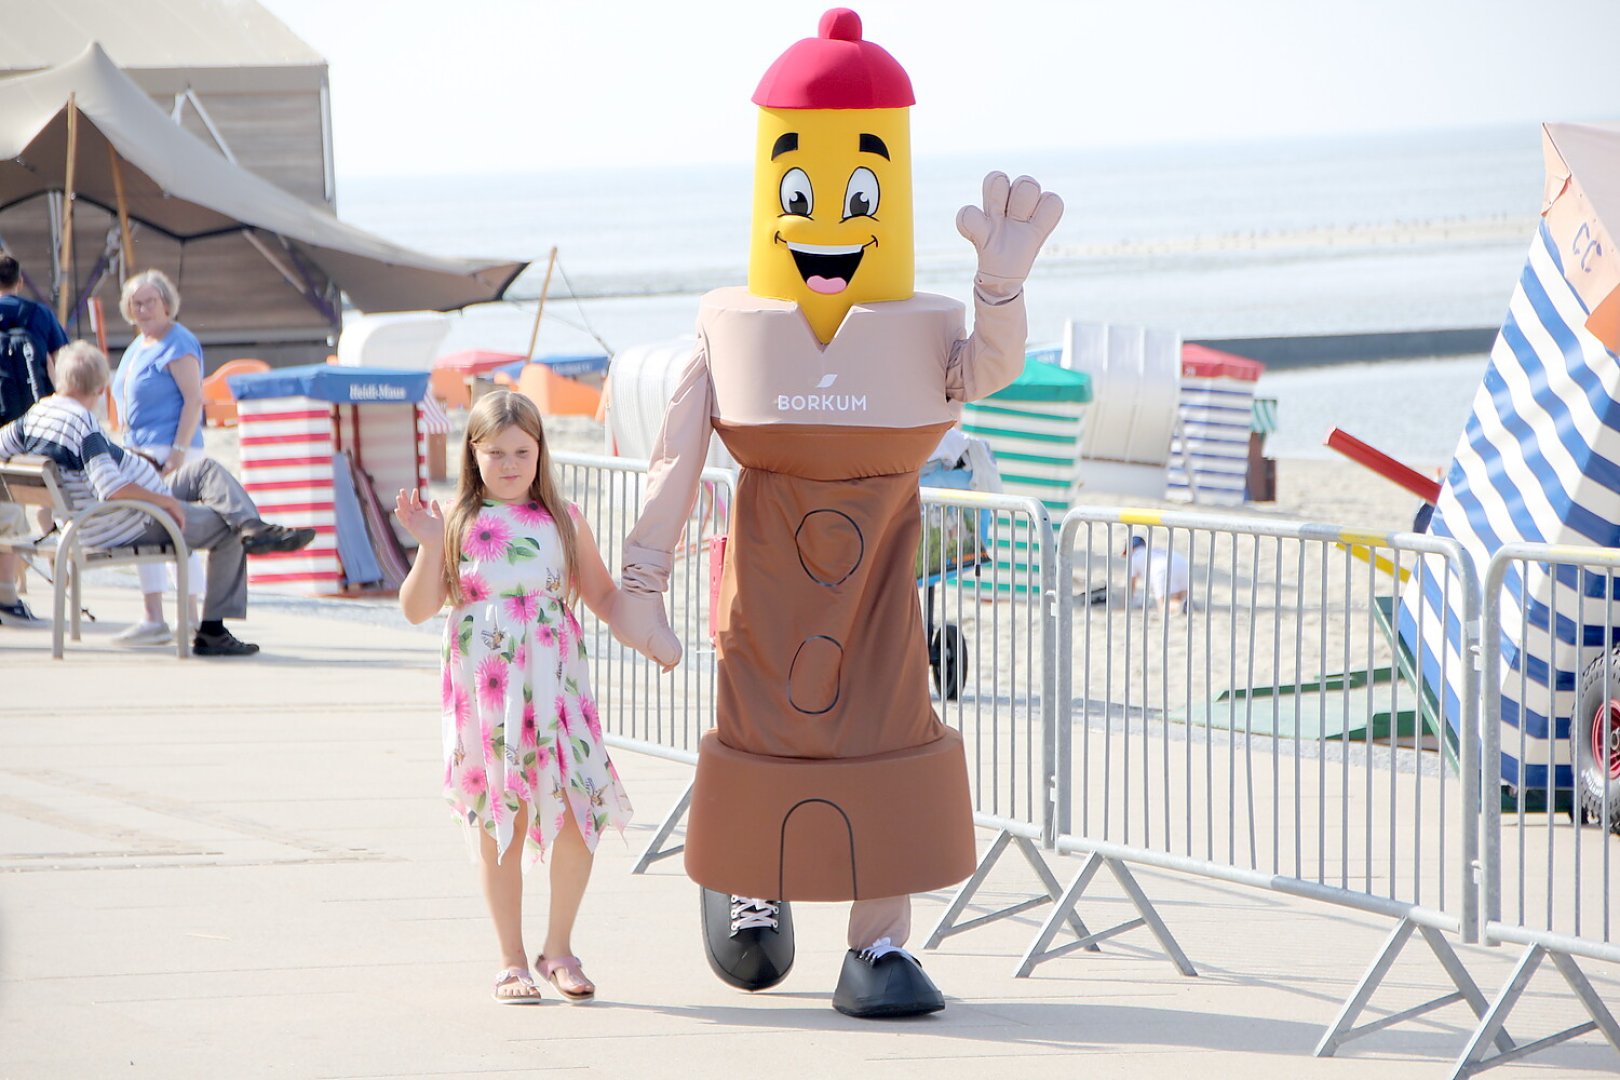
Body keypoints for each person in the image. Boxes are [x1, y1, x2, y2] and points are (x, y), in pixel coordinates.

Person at [612, 9, 1062, 1017]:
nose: (827, 223)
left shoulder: (915, 331)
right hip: (764, 589)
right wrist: (643, 582)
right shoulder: (735, 332)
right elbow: (675, 457)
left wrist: (998, 290)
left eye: (863, 193)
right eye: (801, 191)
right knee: (761, 728)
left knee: (887, 736)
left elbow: (985, 371)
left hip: (882, 596)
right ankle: (752, 886)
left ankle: (879, 944)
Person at [394, 390, 664, 1004]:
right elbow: (416, 609)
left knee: (578, 811)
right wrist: (430, 544)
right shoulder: (455, 521)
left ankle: (559, 949)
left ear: (541, 451)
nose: (510, 464)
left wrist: (650, 634)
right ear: (473, 453)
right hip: (489, 698)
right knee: (502, 822)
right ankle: (511, 960)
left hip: (557, 692)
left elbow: (602, 596)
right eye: (496, 452)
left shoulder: (565, 519)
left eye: (522, 451)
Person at [0, 341, 314, 655]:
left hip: (109, 513)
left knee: (205, 470)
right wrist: (165, 502)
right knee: (226, 527)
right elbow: (111, 489)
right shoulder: (82, 425)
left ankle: (253, 527)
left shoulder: (36, 415)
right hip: (125, 520)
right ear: (100, 388)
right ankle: (213, 631)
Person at [109, 270, 207, 646]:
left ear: (166, 303)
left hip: (170, 450)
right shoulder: (139, 344)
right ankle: (153, 615)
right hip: (139, 451)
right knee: (143, 531)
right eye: (136, 303)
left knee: (177, 529)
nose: (143, 309)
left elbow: (194, 400)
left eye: (150, 301)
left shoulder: (178, 342)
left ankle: (191, 616)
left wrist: (178, 452)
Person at [0, 250, 70, 627]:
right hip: (31, 423)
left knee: (6, 511)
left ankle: (9, 592)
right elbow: (64, 364)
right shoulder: (38, 314)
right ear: (20, 281)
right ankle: (7, 595)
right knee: (22, 505)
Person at [1126, 535, 1192, 614]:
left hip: (1162, 569)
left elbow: (1131, 583)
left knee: (1164, 605)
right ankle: (1183, 603)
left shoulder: (1134, 557)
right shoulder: (1155, 551)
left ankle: (1180, 606)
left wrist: (1129, 600)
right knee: (1179, 597)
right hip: (1183, 564)